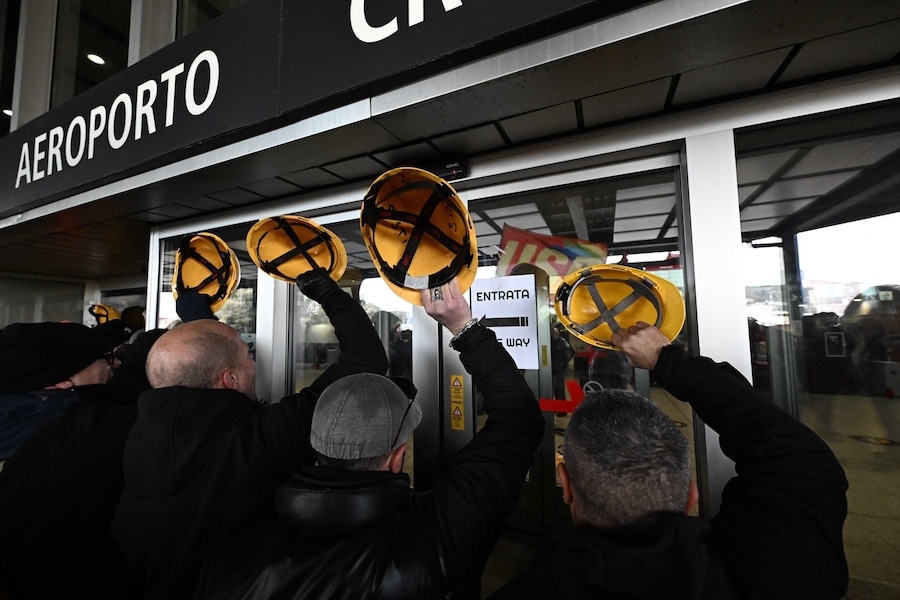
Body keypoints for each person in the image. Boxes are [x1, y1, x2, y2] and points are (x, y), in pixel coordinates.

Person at [191, 277, 545, 600]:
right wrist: (463, 326)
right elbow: (519, 418)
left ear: (317, 445)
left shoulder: (231, 552)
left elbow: (517, 421)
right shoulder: (436, 537)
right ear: (396, 458)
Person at [490, 321, 849, 600]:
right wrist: (667, 360)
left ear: (566, 486)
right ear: (690, 496)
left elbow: (798, 458)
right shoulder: (781, 576)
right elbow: (798, 457)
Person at [111, 268, 390, 600]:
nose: (254, 363)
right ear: (230, 379)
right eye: (248, 357)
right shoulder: (255, 440)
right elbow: (365, 361)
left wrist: (198, 318)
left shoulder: (121, 432)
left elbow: (199, 357)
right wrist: (326, 291)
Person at [0, 321, 117, 460]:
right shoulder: (73, 428)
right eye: (104, 358)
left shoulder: (15, 418)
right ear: (63, 380)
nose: (116, 363)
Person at [550, 324, 575, 399]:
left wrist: (563, 364)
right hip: (555, 369)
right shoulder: (553, 342)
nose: (554, 334)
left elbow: (570, 353)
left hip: (558, 369)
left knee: (559, 389)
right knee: (555, 389)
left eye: (555, 333)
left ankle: (560, 408)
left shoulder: (561, 342)